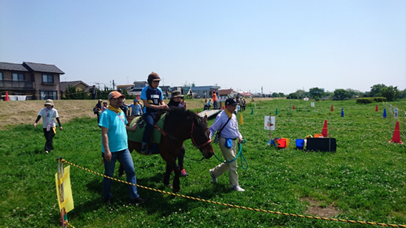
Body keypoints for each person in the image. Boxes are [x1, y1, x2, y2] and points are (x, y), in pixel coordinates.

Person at [99, 91, 147, 205]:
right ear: (110, 100)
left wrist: (132, 129)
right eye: (117, 99)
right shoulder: (106, 114)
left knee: (131, 171)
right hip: (111, 151)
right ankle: (107, 197)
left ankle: (134, 197)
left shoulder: (121, 112)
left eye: (121, 99)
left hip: (123, 149)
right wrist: (107, 151)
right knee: (109, 175)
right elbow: (104, 134)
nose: (120, 100)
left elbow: (123, 125)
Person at [208, 98, 245, 192]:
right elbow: (212, 129)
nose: (234, 107)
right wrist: (209, 138)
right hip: (225, 142)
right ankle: (234, 185)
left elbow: (236, 129)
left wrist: (240, 137)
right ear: (227, 106)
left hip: (234, 141)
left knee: (229, 162)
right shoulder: (221, 116)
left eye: (235, 106)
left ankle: (214, 173)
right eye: (233, 106)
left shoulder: (233, 115)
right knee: (233, 163)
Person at [140, 72, 168, 154]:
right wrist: (159, 107)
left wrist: (164, 106)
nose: (157, 84)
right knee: (150, 124)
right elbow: (146, 104)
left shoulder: (159, 90)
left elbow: (161, 101)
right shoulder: (145, 90)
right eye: (155, 82)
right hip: (148, 112)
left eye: (158, 82)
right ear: (150, 82)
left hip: (158, 111)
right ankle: (144, 144)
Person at [167, 90, 188, 177]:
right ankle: (174, 167)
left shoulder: (180, 105)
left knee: (182, 150)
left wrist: (184, 109)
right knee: (172, 152)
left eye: (180, 97)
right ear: (173, 98)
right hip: (170, 134)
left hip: (178, 134)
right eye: (177, 97)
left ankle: (181, 167)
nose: (179, 99)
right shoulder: (168, 106)